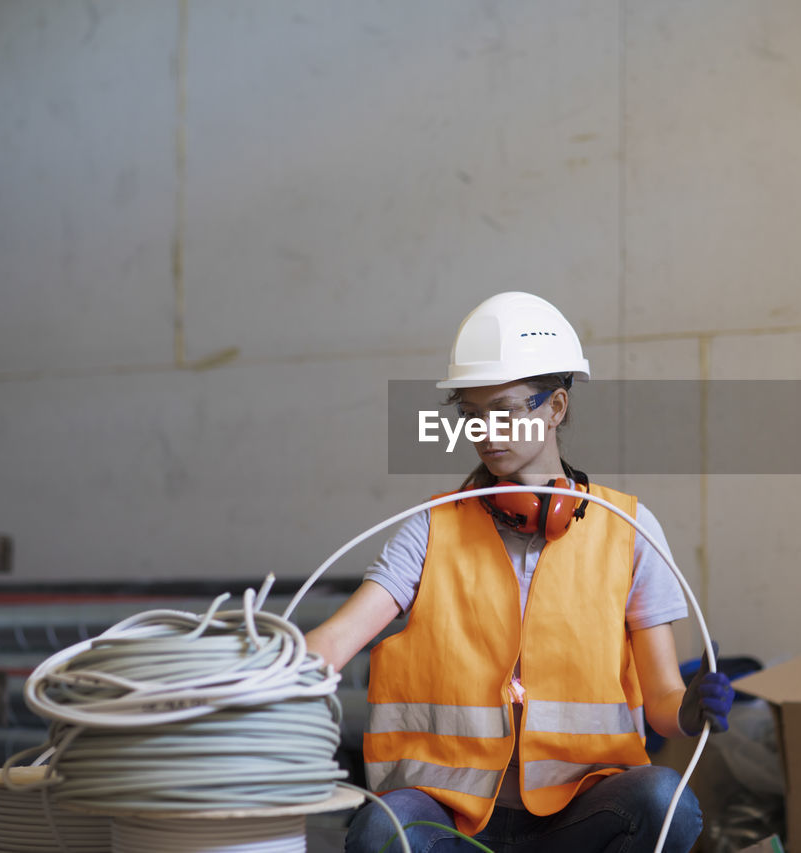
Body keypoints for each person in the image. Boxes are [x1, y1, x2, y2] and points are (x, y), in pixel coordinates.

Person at [306, 292, 734, 853]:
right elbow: (337, 639)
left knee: (664, 802)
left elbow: (661, 701)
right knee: (382, 829)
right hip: (449, 817)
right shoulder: (432, 528)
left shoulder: (628, 529)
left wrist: (690, 707)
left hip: (574, 817)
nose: (488, 431)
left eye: (507, 409)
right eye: (472, 414)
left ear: (555, 407)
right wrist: (233, 676)